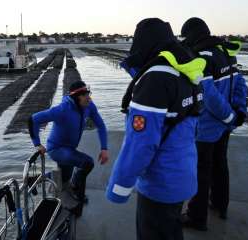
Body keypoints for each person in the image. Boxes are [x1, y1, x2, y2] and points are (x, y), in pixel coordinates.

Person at [106, 18, 205, 240]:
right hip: (183, 174)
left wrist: (119, 187)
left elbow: (141, 144)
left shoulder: (155, 79)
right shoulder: (187, 72)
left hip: (160, 184)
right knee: (171, 230)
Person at [180, 17, 248, 231]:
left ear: (192, 34)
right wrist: (238, 112)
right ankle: (220, 205)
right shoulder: (227, 53)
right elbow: (240, 85)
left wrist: (228, 116)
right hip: (225, 126)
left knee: (201, 171)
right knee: (221, 165)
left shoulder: (202, 57)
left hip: (207, 128)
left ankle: (196, 217)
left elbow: (208, 95)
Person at [28, 80, 109, 214]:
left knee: (64, 178)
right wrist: (37, 144)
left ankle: (34, 180)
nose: (89, 98)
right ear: (77, 98)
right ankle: (78, 195)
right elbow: (33, 120)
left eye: (89, 94)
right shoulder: (62, 109)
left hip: (70, 149)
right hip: (56, 149)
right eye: (85, 95)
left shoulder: (89, 106)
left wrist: (104, 148)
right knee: (87, 163)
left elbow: (101, 125)